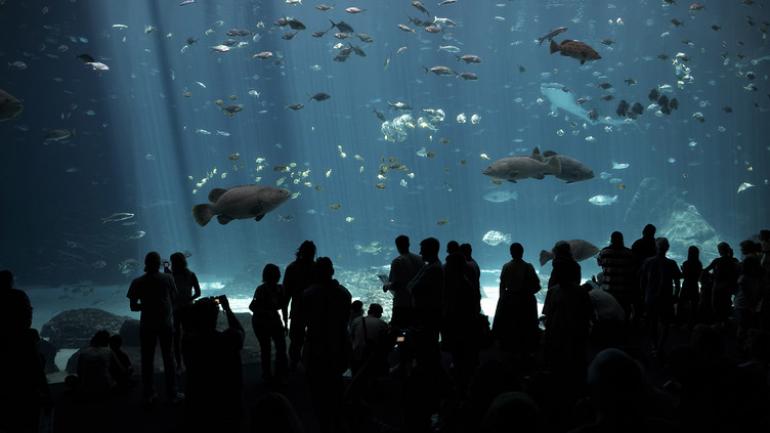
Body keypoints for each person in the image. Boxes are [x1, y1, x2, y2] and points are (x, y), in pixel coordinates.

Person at [301, 257, 352, 433]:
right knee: (336, 384)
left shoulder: (308, 294)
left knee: (318, 390)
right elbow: (346, 320)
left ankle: (323, 423)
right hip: (338, 345)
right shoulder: (344, 293)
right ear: (332, 272)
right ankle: (339, 421)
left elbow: (303, 322)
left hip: (316, 346)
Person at [183, 295, 245, 433]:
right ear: (216, 316)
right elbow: (241, 333)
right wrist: (227, 309)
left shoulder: (188, 342)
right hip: (227, 403)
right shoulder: (228, 339)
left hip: (198, 404)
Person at [126, 251, 182, 404]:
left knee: (147, 358)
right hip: (166, 324)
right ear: (159, 263)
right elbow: (175, 297)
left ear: (145, 263)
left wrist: (147, 306)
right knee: (169, 358)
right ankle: (172, 392)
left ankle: (149, 393)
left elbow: (133, 307)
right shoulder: (168, 278)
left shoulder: (137, 281)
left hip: (147, 325)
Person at [0, 270, 50, 433]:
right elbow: (27, 316)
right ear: (11, 281)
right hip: (21, 339)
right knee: (33, 367)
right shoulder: (19, 295)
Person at [543, 241, 591, 386]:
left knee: (558, 347)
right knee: (574, 346)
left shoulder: (555, 281)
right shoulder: (576, 267)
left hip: (558, 315)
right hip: (575, 312)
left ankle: (557, 376)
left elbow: (551, 288)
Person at [442, 251, 481, 394]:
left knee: (461, 358)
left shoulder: (461, 285)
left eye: (448, 266)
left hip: (460, 328)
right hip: (462, 328)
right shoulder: (463, 283)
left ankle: (462, 389)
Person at [492, 242, 541, 355]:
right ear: (522, 252)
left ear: (511, 253)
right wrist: (527, 294)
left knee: (511, 327)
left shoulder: (506, 266)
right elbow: (537, 286)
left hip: (509, 301)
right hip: (525, 301)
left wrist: (502, 299)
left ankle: (510, 350)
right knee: (525, 327)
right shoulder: (528, 267)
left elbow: (502, 285)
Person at [640, 238, 682, 354]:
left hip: (651, 297)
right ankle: (661, 346)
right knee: (665, 323)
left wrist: (643, 295)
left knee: (653, 322)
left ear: (655, 247)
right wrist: (675, 295)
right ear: (667, 248)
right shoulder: (671, 263)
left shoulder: (648, 261)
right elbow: (678, 282)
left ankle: (654, 345)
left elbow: (642, 281)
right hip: (666, 298)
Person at [249, 263, 289, 383]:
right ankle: (269, 375)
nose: (277, 277)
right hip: (261, 322)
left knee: (278, 348)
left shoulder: (279, 289)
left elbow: (284, 307)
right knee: (267, 348)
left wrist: (286, 323)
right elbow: (252, 307)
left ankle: (276, 374)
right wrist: (267, 312)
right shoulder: (262, 290)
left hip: (271, 320)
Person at [284, 241, 316, 368]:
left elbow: (286, 296)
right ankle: (307, 364)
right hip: (313, 310)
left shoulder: (292, 268)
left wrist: (285, 320)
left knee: (296, 341)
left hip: (299, 310)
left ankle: (295, 365)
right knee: (308, 339)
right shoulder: (315, 267)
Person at [167, 252, 201, 370]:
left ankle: (179, 365)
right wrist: (188, 299)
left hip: (176, 309)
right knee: (189, 334)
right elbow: (198, 293)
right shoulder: (191, 274)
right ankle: (192, 361)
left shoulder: (170, 276)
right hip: (188, 308)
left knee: (176, 336)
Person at [384, 235, 424, 330]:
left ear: (397, 246)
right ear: (409, 244)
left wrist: (387, 286)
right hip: (417, 302)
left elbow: (396, 284)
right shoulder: (420, 259)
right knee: (414, 329)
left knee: (398, 329)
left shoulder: (397, 261)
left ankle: (401, 343)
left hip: (402, 303)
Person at [597, 231, 636, 321]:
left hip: (608, 289)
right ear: (622, 240)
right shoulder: (628, 253)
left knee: (609, 312)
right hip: (624, 289)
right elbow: (633, 267)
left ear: (611, 240)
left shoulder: (604, 252)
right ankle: (624, 330)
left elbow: (600, 263)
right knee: (624, 310)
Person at [703, 242, 740, 326]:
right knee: (726, 304)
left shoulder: (717, 261)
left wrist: (710, 276)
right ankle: (725, 323)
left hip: (718, 286)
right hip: (728, 287)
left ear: (721, 251)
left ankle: (718, 324)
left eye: (719, 250)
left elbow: (706, 270)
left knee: (716, 305)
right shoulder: (734, 260)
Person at [735, 241, 763, 342]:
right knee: (748, 326)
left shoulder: (746, 274)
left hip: (744, 303)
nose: (741, 250)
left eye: (742, 248)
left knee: (742, 326)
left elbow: (743, 286)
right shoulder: (757, 262)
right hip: (751, 303)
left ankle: (741, 346)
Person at [77, 330, 115, 397]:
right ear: (107, 341)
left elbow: (79, 371)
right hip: (105, 387)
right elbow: (114, 369)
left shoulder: (83, 353)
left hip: (86, 388)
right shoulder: (109, 352)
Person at [679, 246, 703, 328]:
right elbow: (699, 275)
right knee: (694, 305)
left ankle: (680, 322)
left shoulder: (686, 263)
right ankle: (693, 323)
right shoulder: (699, 264)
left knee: (681, 304)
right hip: (694, 285)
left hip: (686, 285)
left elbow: (684, 275)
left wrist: (682, 269)